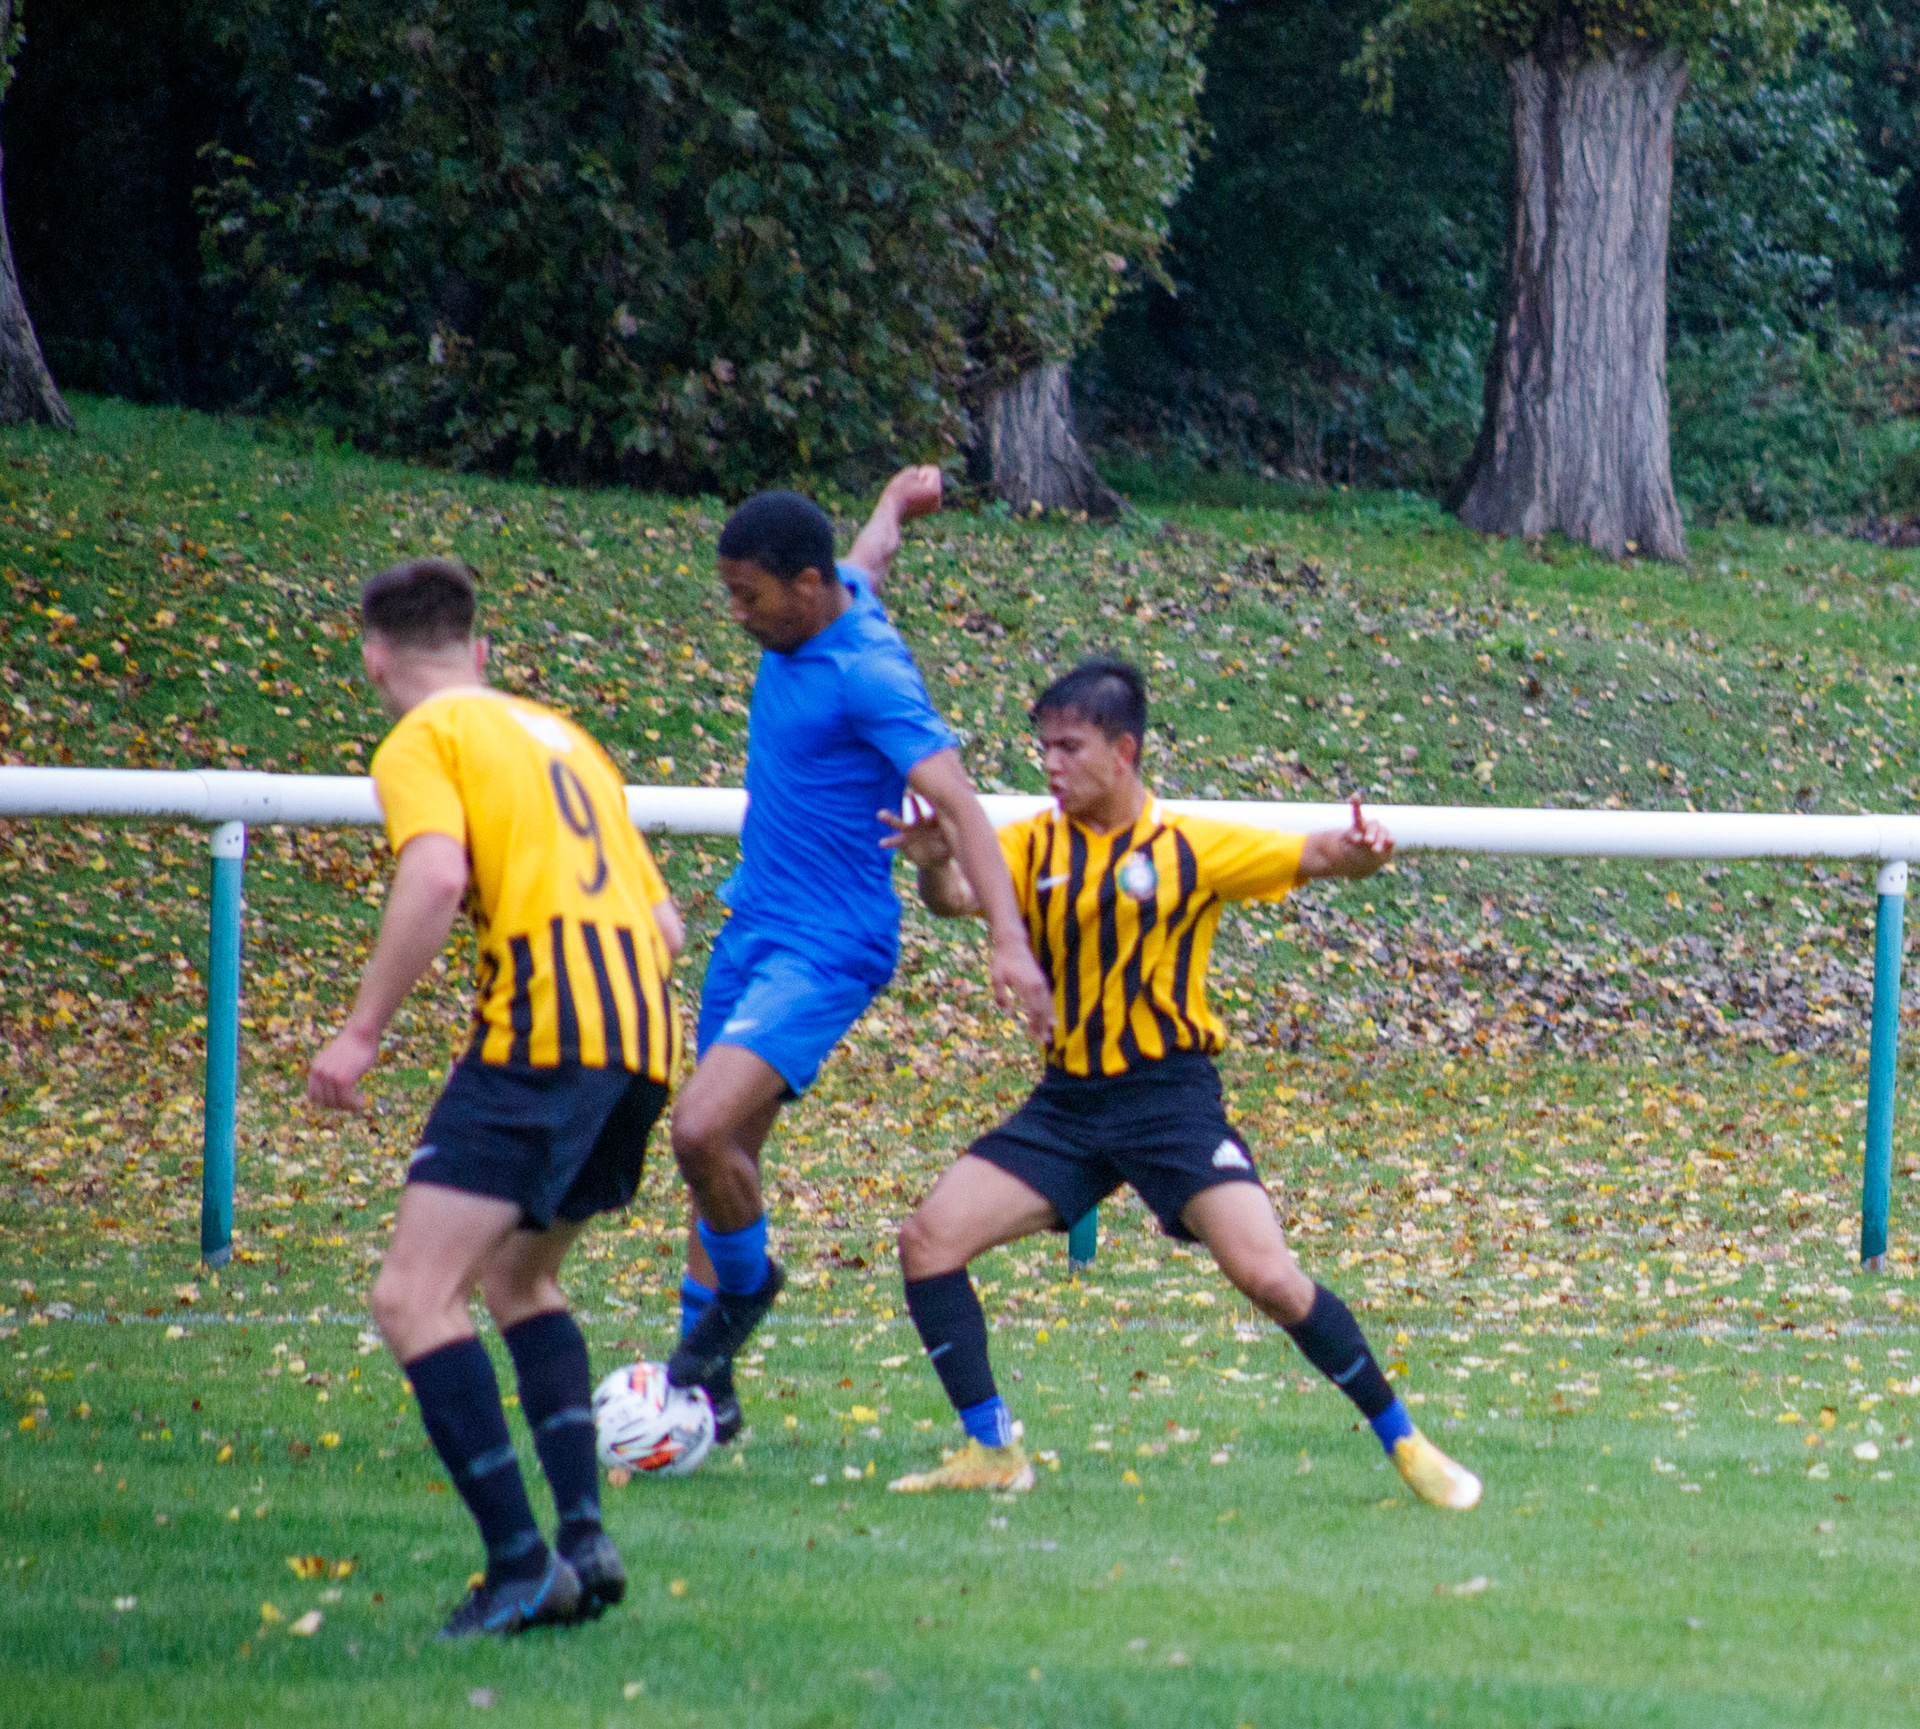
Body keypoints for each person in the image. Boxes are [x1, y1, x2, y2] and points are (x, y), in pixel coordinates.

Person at [879, 658, 1481, 1510]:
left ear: (1123, 751)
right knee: (928, 1241)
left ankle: (1407, 1441)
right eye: (1044, 747)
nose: (1050, 764)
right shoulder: (1032, 843)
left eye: (1069, 747)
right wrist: (935, 863)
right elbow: (958, 898)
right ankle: (992, 1449)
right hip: (1067, 1105)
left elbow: (1319, 854)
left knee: (1270, 1277)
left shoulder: (1188, 845)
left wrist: (1362, 855)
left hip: (1169, 1101)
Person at [308, 557, 686, 1637]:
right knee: (521, 1278)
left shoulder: (424, 737)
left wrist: (361, 1032)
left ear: (375, 657)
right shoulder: (564, 737)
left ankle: (522, 1565)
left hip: (546, 1032)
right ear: (479, 651)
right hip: (643, 1035)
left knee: (412, 1296)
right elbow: (665, 926)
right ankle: (584, 1537)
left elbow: (434, 875)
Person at [664, 470, 1053, 1441]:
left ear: (804, 586)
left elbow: (959, 803)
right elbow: (869, 557)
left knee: (700, 1129)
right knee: (725, 1160)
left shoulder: (869, 674)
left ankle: (740, 1302)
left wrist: (1007, 938)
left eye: (748, 595)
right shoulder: (836, 589)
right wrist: (894, 505)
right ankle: (704, 1389)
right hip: (752, 927)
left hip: (827, 945)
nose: (737, 614)